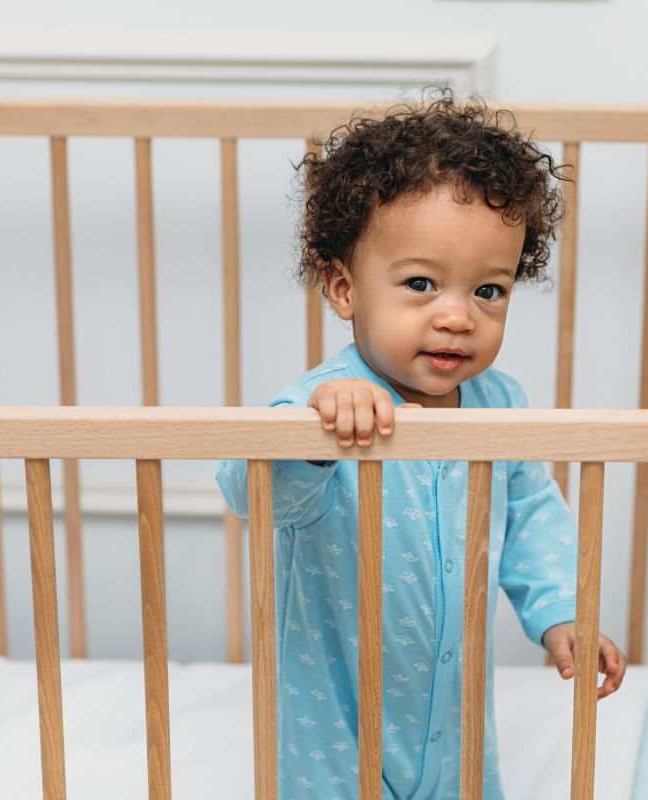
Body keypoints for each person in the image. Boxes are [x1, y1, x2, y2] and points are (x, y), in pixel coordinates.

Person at [216, 86, 626, 799]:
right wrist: (316, 429)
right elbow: (249, 490)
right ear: (344, 290)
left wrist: (562, 611)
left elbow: (531, 514)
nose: (457, 316)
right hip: (332, 711)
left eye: (488, 292)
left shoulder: (500, 407)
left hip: (453, 695)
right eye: (420, 284)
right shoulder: (322, 403)